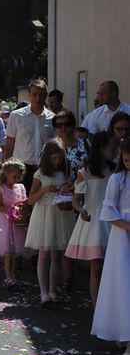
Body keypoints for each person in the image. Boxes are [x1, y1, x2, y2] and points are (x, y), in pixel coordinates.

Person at [65, 132, 115, 309]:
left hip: (112, 219)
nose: (115, 151)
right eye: (112, 148)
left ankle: (111, 304)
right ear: (101, 150)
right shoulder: (84, 173)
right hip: (94, 221)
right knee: (96, 268)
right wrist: (81, 210)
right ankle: (96, 307)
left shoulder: (115, 169)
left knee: (112, 267)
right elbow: (76, 200)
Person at [91, 138, 130, 355]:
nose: (129, 164)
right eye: (126, 160)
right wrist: (127, 227)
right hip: (122, 236)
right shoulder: (118, 179)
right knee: (123, 282)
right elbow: (108, 210)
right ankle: (124, 334)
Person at [25, 139, 76, 306]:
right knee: (44, 254)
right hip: (44, 214)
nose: (57, 162)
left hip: (60, 213)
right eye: (54, 158)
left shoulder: (67, 172)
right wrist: (45, 190)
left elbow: (75, 193)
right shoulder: (40, 174)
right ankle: (43, 292)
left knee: (57, 254)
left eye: (60, 158)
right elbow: (30, 200)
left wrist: (70, 189)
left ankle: (53, 290)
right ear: (48, 157)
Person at [4, 79, 55, 192]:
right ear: (29, 95)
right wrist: (8, 169)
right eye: (35, 94)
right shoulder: (16, 116)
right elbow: (8, 144)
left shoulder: (52, 118)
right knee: (20, 204)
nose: (38, 98)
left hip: (44, 169)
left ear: (46, 95)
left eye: (41, 95)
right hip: (21, 170)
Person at [0, 160, 28, 288]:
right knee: (8, 251)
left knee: (15, 252)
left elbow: (24, 202)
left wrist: (21, 209)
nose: (16, 179)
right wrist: (9, 210)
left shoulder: (21, 187)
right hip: (5, 222)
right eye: (14, 176)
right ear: (6, 174)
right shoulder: (1, 188)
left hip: (17, 222)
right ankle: (8, 276)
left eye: (18, 177)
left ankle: (13, 275)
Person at [53, 110, 89, 180]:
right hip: (57, 189)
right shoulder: (49, 147)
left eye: (67, 124)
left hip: (82, 188)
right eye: (59, 125)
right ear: (55, 128)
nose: (63, 127)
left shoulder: (86, 143)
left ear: (73, 125)